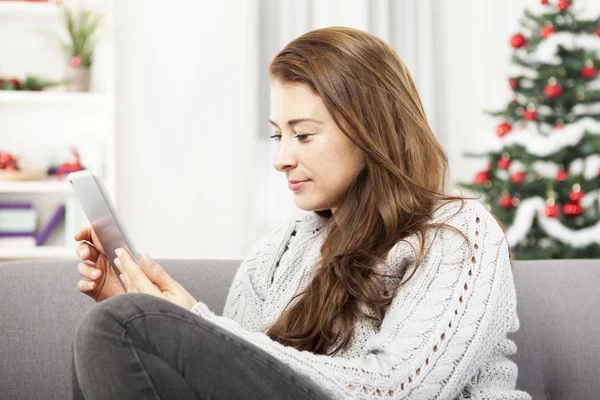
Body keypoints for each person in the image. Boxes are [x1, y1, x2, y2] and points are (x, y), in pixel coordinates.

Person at [71, 27, 531, 400]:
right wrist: (153, 320)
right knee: (111, 328)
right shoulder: (276, 253)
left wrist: (196, 322)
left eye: (304, 135)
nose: (281, 159)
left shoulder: (459, 233)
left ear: (372, 131)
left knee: (122, 323)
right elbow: (236, 383)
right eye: (277, 136)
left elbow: (402, 390)